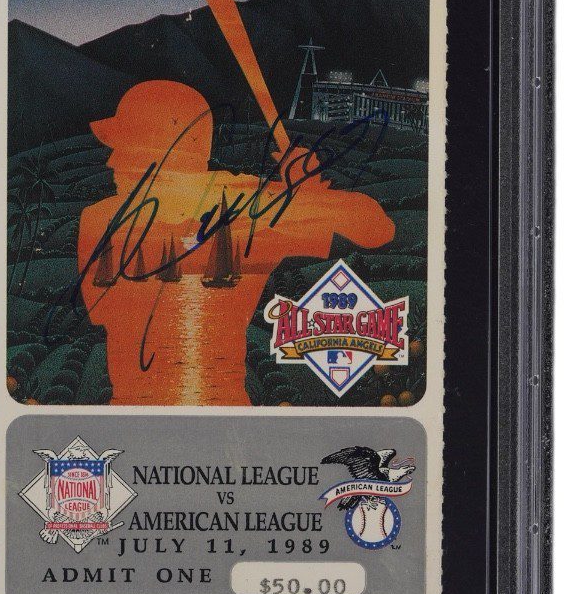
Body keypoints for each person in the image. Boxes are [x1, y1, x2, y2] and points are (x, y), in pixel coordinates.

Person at [77, 79, 394, 405]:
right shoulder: (253, 208)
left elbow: (98, 312)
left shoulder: (97, 219)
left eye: (124, 151)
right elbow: (377, 229)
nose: (111, 163)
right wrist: (309, 194)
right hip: (224, 410)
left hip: (133, 414)